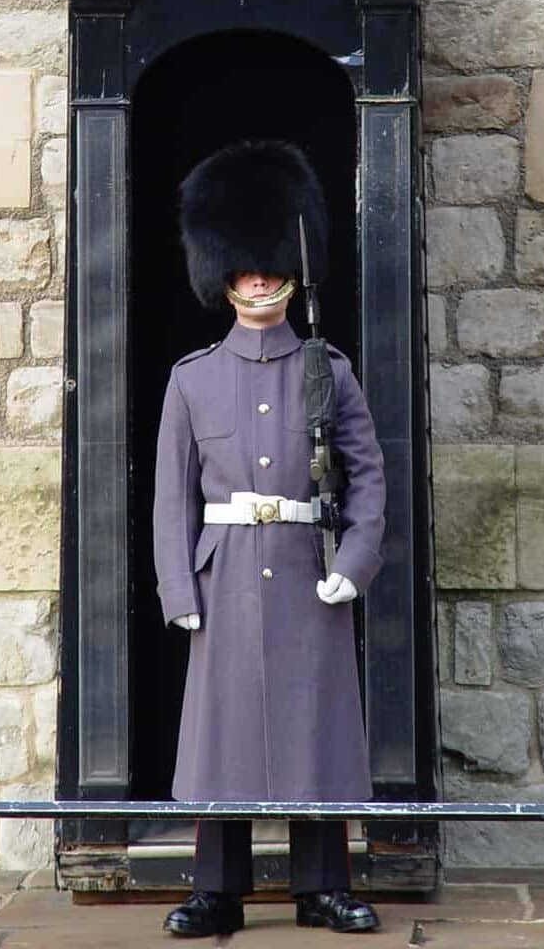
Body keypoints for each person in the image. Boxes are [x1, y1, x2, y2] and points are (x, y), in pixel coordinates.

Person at [153, 140, 386, 936]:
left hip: (305, 564)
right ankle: (216, 888)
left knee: (313, 730)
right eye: (243, 266)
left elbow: (368, 478)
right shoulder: (192, 378)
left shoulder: (331, 370)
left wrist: (354, 564)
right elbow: (171, 498)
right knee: (221, 735)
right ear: (222, 274)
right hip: (223, 577)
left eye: (268, 264)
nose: (257, 277)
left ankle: (322, 888)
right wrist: (178, 590)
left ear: (291, 267)